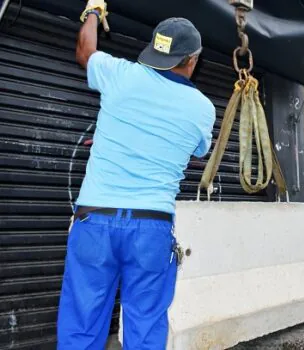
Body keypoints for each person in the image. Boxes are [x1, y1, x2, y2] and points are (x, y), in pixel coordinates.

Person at [57, 1, 216, 348]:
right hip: (150, 228)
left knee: (81, 325)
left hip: (94, 222)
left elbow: (85, 50)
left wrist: (94, 12)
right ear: (193, 60)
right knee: (145, 327)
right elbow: (196, 153)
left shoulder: (120, 74)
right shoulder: (203, 109)